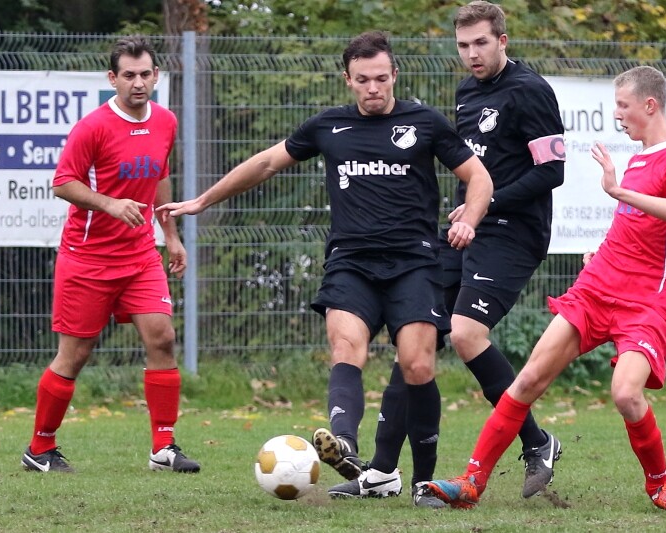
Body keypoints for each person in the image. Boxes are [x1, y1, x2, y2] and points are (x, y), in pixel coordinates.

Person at [156, 31, 493, 506]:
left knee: (417, 364)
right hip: (351, 262)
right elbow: (266, 163)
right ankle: (345, 444)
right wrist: (202, 201)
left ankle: (425, 481)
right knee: (345, 346)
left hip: (414, 261)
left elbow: (479, 176)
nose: (373, 88)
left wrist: (470, 219)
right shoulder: (328, 126)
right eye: (363, 80)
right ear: (347, 80)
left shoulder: (424, 122)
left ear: (394, 75)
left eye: (381, 78)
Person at [425, 65, 666, 516]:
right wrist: (602, 252)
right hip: (598, 288)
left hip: (648, 302)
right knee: (529, 379)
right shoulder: (638, 159)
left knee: (626, 394)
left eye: (623, 106)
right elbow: (635, 227)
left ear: (650, 105)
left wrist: (617, 191)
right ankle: (471, 482)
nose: (617, 115)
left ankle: (661, 486)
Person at [328, 0, 565, 502]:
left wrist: (486, 205)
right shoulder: (466, 91)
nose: (472, 54)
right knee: (416, 343)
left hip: (513, 232)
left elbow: (552, 172)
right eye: (463, 45)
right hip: (465, 230)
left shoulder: (531, 90)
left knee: (465, 332)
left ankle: (537, 441)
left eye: (481, 43)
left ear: (502, 40)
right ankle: (383, 472)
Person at [21, 36, 200, 474]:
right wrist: (109, 204)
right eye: (129, 75)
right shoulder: (93, 127)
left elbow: (160, 175)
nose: (138, 83)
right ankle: (39, 448)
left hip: (140, 255)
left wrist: (170, 235)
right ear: (112, 79)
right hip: (88, 258)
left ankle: (163, 447)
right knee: (75, 354)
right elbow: (63, 182)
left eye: (145, 74)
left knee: (162, 337)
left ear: (156, 76)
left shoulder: (165, 121)